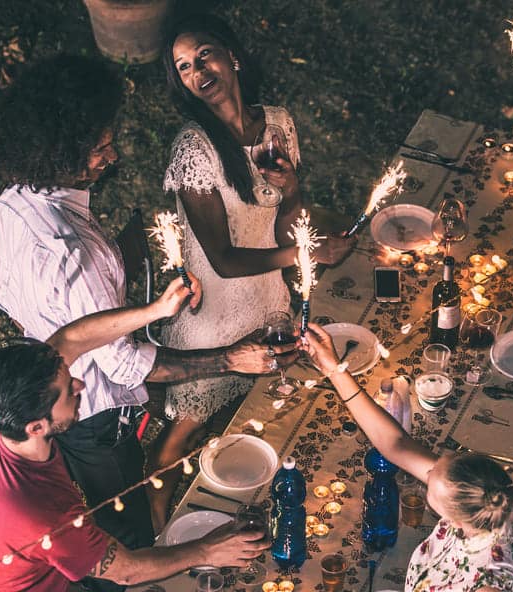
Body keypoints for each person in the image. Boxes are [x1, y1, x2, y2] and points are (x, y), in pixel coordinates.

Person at [0, 54, 295, 591]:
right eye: (100, 146)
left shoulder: (13, 202)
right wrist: (229, 358)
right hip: (99, 421)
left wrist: (145, 307)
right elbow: (126, 366)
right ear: (62, 152)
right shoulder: (73, 256)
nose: (113, 153)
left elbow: (50, 321)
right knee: (122, 523)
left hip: (50, 389)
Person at [151, 13, 355, 526]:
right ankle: (156, 522)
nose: (197, 70)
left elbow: (286, 224)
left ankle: (259, 503)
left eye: (203, 55)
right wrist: (303, 257)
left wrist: (289, 190)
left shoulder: (278, 123)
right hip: (213, 313)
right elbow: (221, 258)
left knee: (283, 409)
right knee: (180, 440)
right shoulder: (194, 150)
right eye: (183, 68)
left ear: (232, 56)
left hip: (269, 302)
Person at [0, 291, 273, 592]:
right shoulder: (44, 516)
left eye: (68, 375)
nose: (80, 384)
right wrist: (207, 551)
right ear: (36, 427)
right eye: (68, 391)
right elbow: (127, 570)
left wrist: (156, 310)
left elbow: (71, 338)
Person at [300, 325, 513, 592]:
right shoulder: (487, 501)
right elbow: (395, 444)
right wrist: (334, 368)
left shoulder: (491, 583)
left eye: (430, 478)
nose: (425, 471)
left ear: (452, 517)